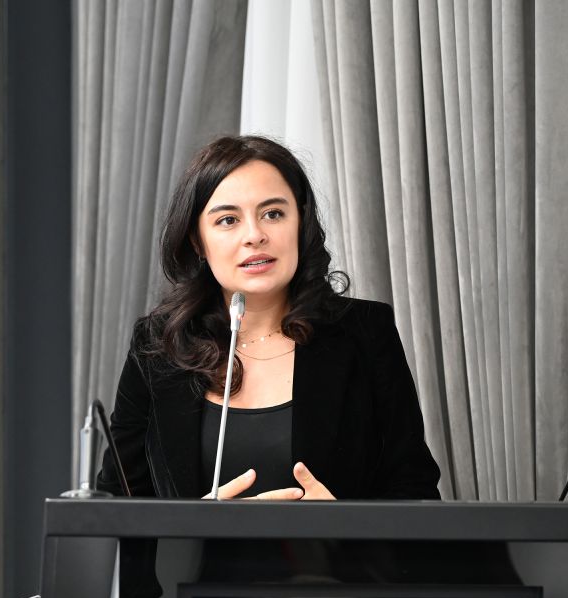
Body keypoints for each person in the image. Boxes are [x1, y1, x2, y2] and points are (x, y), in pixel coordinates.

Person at [96, 134, 441, 501]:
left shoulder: (365, 332)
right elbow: (116, 506)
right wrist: (192, 526)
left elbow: (417, 496)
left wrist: (342, 524)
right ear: (197, 241)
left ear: (301, 221)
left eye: (273, 214)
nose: (254, 235)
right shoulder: (158, 345)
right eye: (228, 220)